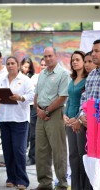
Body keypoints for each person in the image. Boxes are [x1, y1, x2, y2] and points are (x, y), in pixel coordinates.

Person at [0, 56, 35, 189]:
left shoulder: (25, 80)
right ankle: (11, 178)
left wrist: (20, 97)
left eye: (13, 63)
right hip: (4, 119)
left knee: (19, 150)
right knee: (8, 151)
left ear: (18, 65)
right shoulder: (1, 79)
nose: (10, 66)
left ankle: (22, 180)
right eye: (8, 64)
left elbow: (32, 96)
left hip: (19, 120)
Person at [33, 47, 69, 190]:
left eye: (50, 56)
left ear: (56, 55)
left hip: (54, 114)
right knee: (41, 151)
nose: (47, 59)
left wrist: (46, 111)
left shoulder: (63, 74)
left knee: (58, 151)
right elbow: (36, 95)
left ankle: (61, 184)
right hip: (40, 115)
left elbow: (63, 97)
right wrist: (38, 109)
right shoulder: (41, 74)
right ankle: (45, 183)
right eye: (45, 56)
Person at [63, 51, 96, 190]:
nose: (74, 62)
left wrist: (76, 119)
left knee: (82, 158)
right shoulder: (72, 79)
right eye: (72, 60)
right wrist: (64, 115)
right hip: (68, 122)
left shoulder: (87, 80)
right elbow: (69, 99)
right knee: (73, 157)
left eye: (77, 59)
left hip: (79, 123)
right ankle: (75, 186)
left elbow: (85, 103)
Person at [26, 58, 47, 166]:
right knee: (33, 134)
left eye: (45, 65)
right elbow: (32, 92)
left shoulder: (54, 77)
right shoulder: (35, 77)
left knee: (47, 134)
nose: (43, 66)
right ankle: (32, 157)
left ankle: (45, 158)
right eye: (42, 64)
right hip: (35, 107)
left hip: (49, 108)